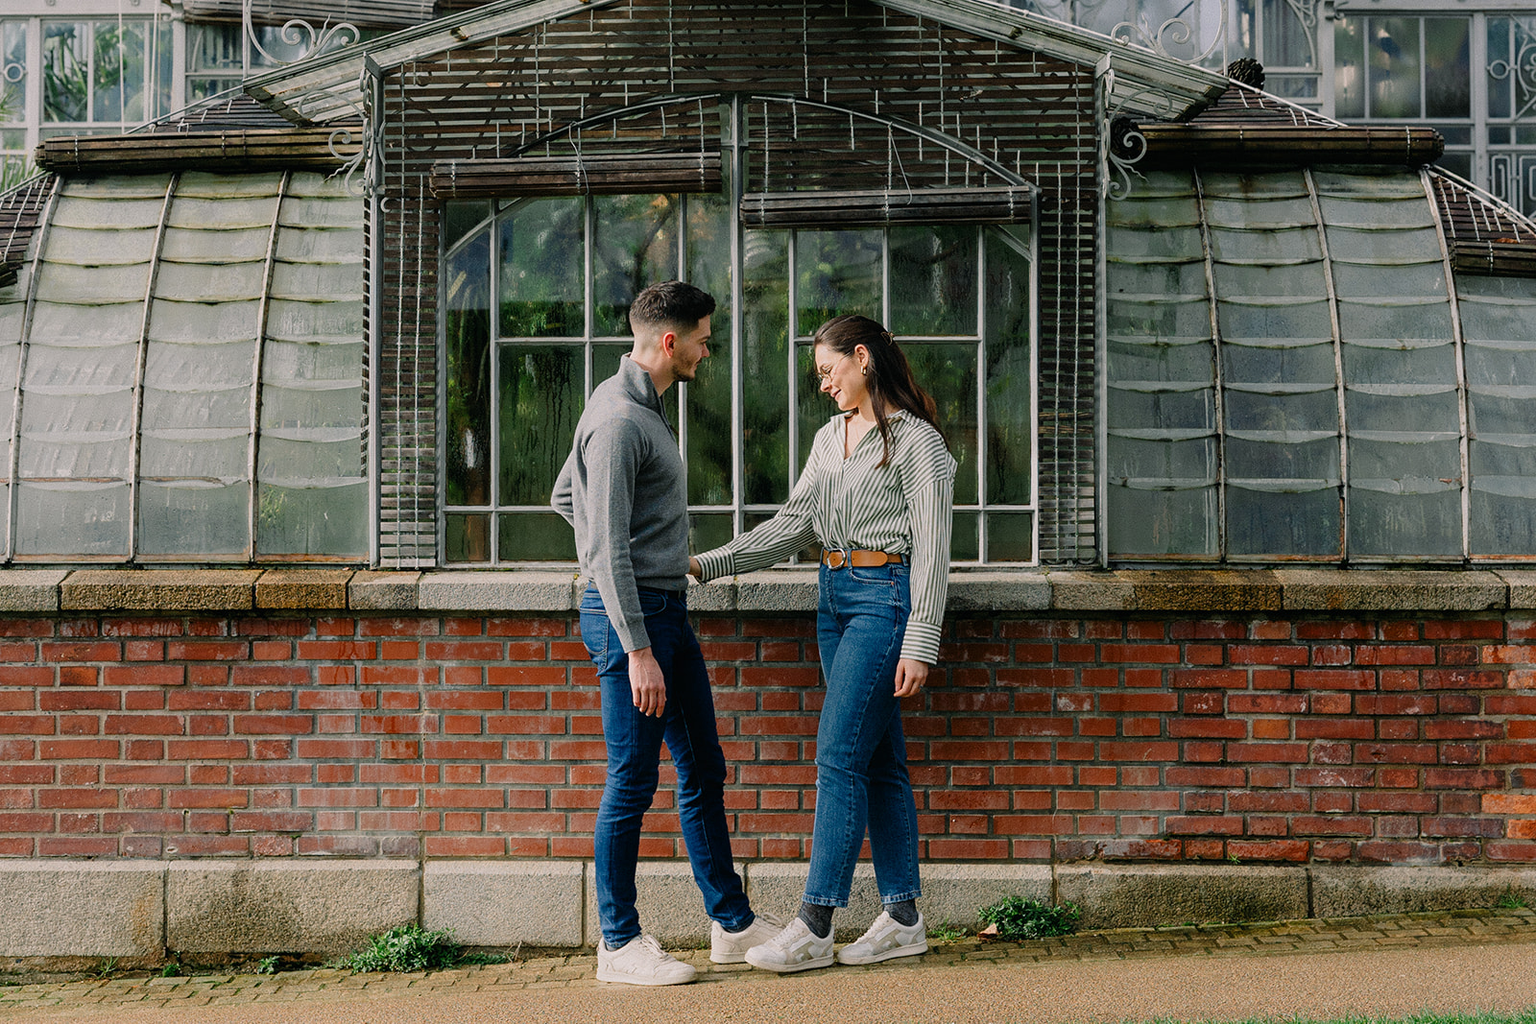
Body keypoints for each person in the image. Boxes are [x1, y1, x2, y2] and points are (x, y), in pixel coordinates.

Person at [690, 313, 956, 973]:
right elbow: (792, 524)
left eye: (828, 370)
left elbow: (933, 551)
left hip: (884, 601)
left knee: (838, 756)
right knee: (879, 760)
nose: (824, 384)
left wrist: (921, 639)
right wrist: (705, 564)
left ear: (862, 358)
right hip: (833, 602)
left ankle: (814, 923)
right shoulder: (828, 438)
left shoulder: (918, 443)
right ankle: (903, 917)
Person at [552, 280, 781, 986]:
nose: (708, 352)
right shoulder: (619, 418)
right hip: (636, 623)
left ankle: (732, 924)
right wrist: (637, 647)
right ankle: (617, 943)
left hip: (664, 612)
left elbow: (565, 496)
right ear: (670, 341)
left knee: (703, 766)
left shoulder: (641, 408)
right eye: (704, 341)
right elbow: (604, 543)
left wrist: (634, 556)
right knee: (632, 780)